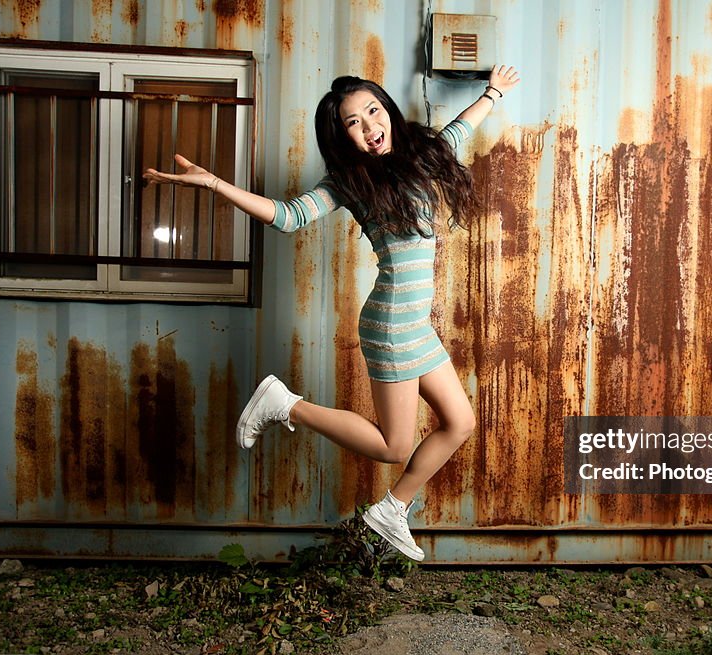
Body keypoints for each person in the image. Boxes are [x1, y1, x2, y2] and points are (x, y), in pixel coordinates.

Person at [143, 65, 521, 562]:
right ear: (343, 138)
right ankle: (285, 404)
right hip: (391, 325)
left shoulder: (422, 155)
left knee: (459, 422)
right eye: (353, 123)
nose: (369, 126)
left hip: (414, 325)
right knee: (392, 446)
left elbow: (462, 125)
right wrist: (214, 183)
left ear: (386, 110)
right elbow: (289, 216)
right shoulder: (351, 181)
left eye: (372, 111)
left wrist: (493, 92)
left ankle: (391, 510)